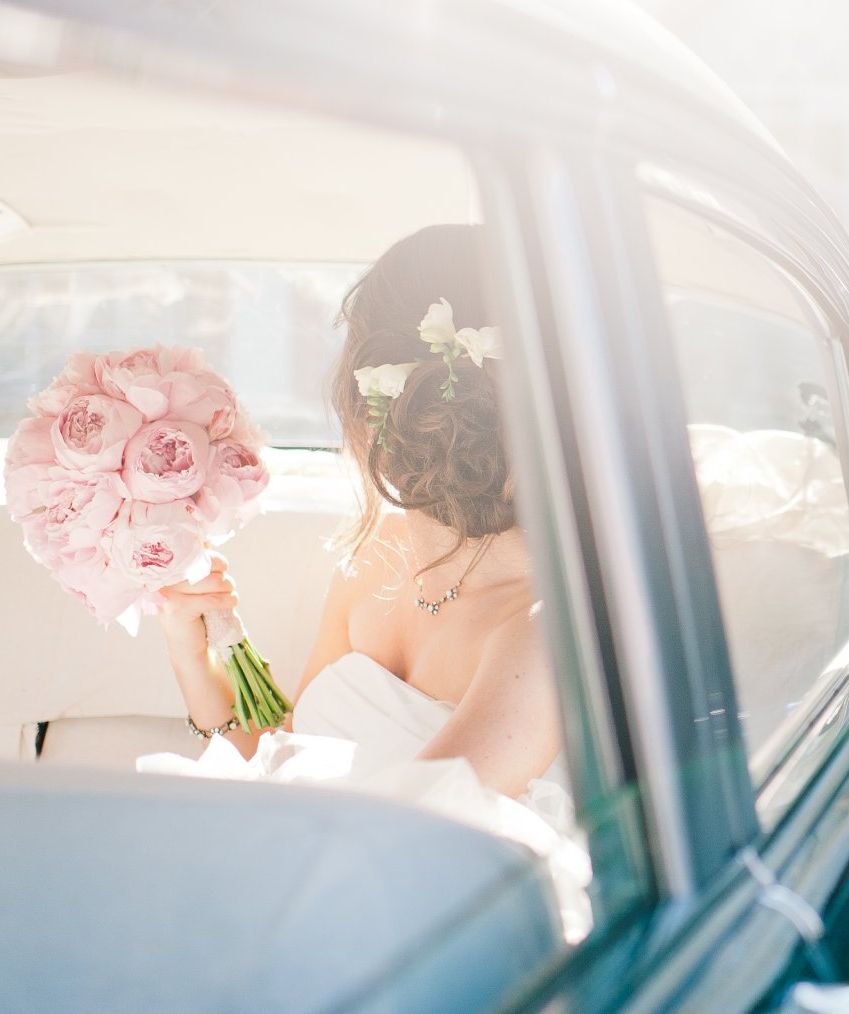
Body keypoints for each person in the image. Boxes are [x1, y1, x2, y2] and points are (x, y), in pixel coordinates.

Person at [153, 223, 565, 812]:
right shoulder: (374, 556)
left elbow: (387, 845)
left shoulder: (542, 634)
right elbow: (284, 770)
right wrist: (196, 654)